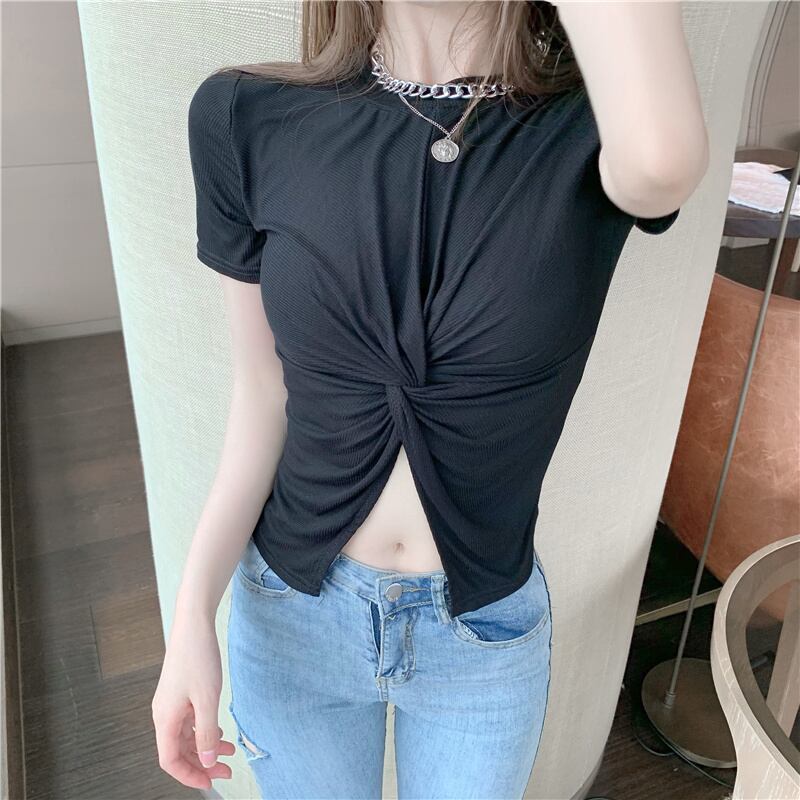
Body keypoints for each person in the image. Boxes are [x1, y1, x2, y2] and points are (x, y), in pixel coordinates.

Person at [152, 1, 708, 798]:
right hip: (291, 615)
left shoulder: (596, 130)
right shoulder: (246, 114)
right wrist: (190, 619)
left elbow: (661, 166)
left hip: (480, 635)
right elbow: (262, 395)